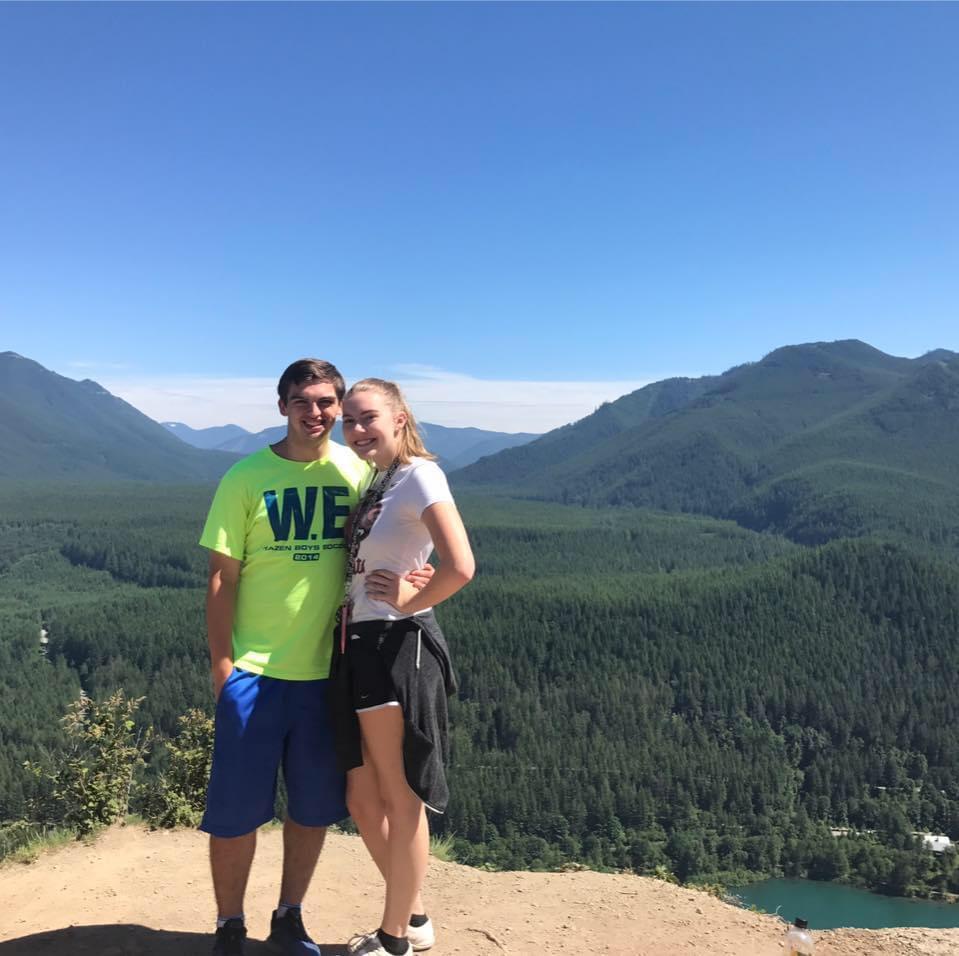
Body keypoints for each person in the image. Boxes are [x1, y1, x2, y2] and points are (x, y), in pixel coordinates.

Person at [198, 359, 431, 956]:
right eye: (303, 401)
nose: (317, 413)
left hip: (329, 672)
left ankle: (289, 915)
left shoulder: (357, 470)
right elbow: (223, 578)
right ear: (282, 407)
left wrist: (417, 573)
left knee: (311, 808)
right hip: (255, 671)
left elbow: (395, 530)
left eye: (328, 402)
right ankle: (229, 923)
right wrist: (224, 667)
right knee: (234, 813)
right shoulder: (245, 478)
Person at [332, 378, 474, 956]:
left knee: (399, 795)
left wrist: (412, 600)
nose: (358, 429)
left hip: (398, 648)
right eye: (350, 421)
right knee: (362, 800)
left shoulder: (421, 475)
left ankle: (393, 938)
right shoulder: (376, 482)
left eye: (368, 417)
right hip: (357, 645)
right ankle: (412, 913)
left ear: (398, 417)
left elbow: (460, 564)